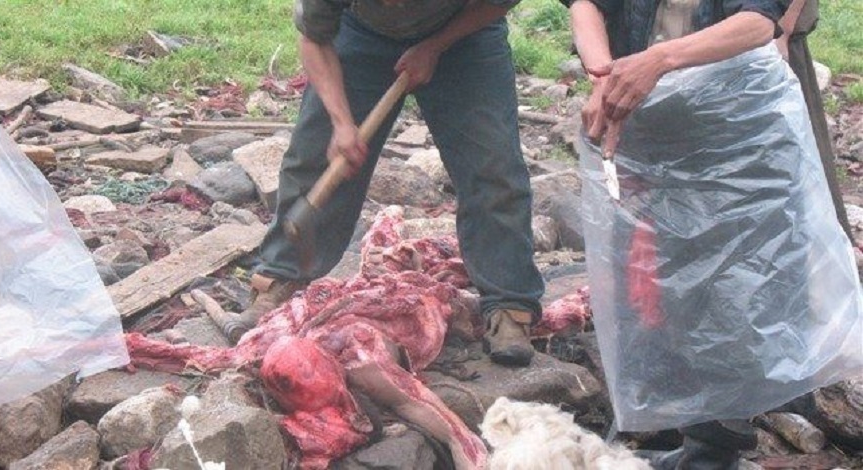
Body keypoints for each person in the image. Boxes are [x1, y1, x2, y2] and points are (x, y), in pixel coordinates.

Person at [561, 0, 863, 469]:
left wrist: (658, 60)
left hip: (736, 117)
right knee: (650, 275)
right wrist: (605, 77)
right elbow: (588, 3)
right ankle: (667, 419)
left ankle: (719, 442)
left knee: (736, 281)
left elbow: (757, 21)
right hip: (645, 115)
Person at [234, 0, 545, 367]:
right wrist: (342, 123)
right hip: (360, 32)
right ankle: (279, 278)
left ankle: (510, 307)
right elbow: (315, 40)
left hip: (465, 35)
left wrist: (436, 45)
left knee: (493, 166)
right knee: (316, 155)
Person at [776, 0, 854, 241]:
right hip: (728, 34)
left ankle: (825, 243)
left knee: (799, 147)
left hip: (775, 34)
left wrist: (784, 28)